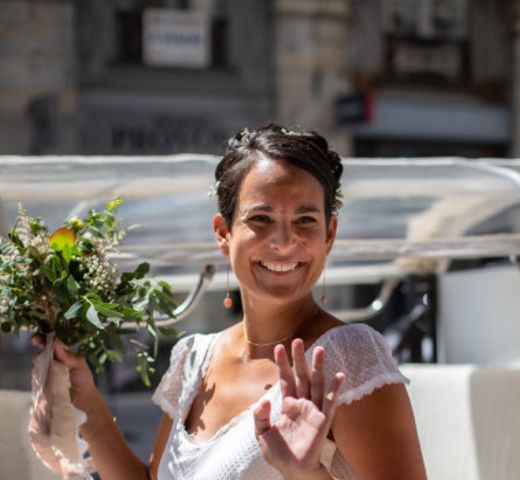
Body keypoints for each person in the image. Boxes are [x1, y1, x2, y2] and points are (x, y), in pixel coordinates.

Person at [37, 124, 428, 479]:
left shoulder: (348, 358)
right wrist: (85, 399)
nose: (283, 241)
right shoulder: (194, 359)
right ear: (223, 232)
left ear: (329, 235)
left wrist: (304, 473)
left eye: (305, 220)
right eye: (260, 218)